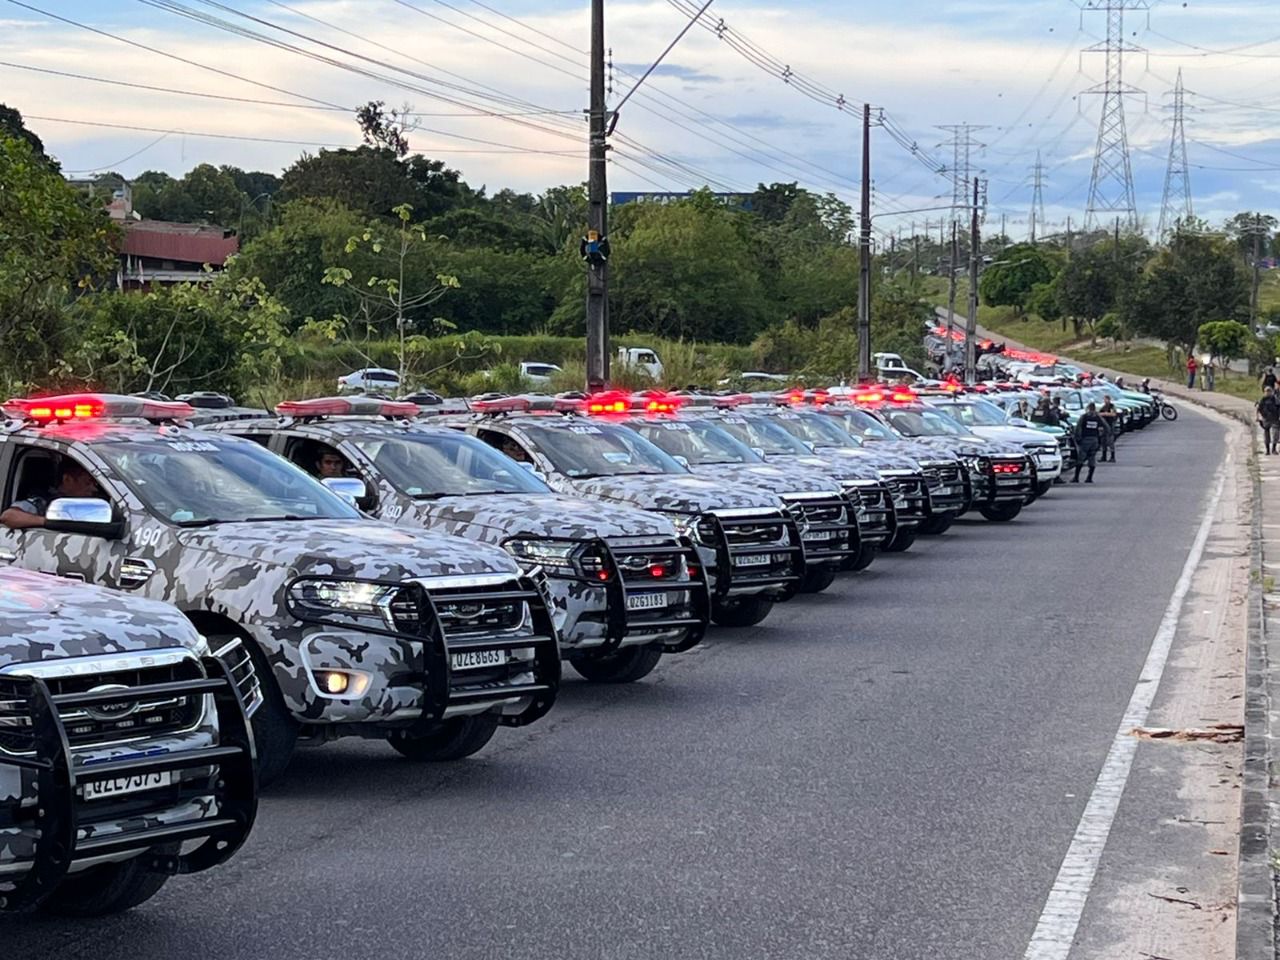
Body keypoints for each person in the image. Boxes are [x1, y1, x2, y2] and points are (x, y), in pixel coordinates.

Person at [0, 461, 100, 530]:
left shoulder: (99, 502)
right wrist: (49, 522)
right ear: (67, 479)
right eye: (87, 483)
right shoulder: (42, 501)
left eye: (95, 484)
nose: (94, 489)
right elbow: (8, 516)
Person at [1073, 402, 1111, 483]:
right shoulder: (1098, 417)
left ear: (1088, 408)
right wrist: (1102, 436)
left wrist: (1078, 439)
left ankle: (1076, 477)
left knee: (1081, 458)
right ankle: (1089, 478)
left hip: (1085, 439)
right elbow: (1107, 427)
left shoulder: (1084, 417)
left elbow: (1078, 428)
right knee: (1092, 457)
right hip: (1095, 440)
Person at [1258, 387, 1280, 455]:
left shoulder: (1275, 399)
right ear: (1264, 392)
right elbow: (1259, 409)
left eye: (1269, 391)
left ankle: (1274, 449)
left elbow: (1279, 407)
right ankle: (1267, 450)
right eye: (1266, 391)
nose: (1268, 392)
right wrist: (1259, 418)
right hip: (1266, 419)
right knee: (1266, 435)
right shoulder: (1263, 400)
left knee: (1276, 434)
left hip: (1275, 418)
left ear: (1271, 392)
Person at [1098, 397, 1120, 462]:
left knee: (1110, 442)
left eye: (1106, 399)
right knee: (1103, 442)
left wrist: (1105, 414)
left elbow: (1113, 414)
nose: (1105, 401)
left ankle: (1112, 457)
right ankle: (1104, 456)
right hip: (1104, 427)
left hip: (1110, 426)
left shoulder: (1112, 406)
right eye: (1104, 399)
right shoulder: (1103, 407)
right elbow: (1099, 414)